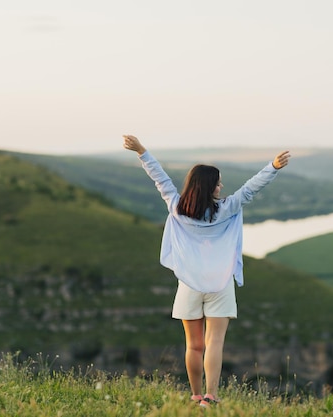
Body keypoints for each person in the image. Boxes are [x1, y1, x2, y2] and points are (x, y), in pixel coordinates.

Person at [122, 134, 290, 407]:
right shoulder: (226, 209)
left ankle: (196, 394)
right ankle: (210, 397)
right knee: (215, 343)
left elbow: (160, 179)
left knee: (194, 345)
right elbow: (250, 189)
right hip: (220, 284)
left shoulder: (177, 208)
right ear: (208, 186)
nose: (221, 186)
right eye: (218, 183)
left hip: (189, 285)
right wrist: (272, 167)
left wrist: (141, 151)